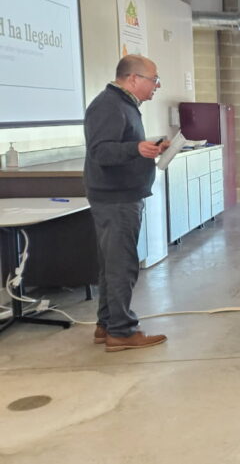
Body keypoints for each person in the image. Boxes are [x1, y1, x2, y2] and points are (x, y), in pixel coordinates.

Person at [84, 55, 170, 352]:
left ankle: (106, 324)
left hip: (121, 195)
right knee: (122, 265)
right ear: (133, 79)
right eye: (154, 79)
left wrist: (147, 147)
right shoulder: (109, 105)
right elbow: (101, 152)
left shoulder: (123, 104)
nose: (157, 86)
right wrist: (136, 148)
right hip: (116, 198)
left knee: (112, 264)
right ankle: (121, 331)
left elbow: (119, 146)